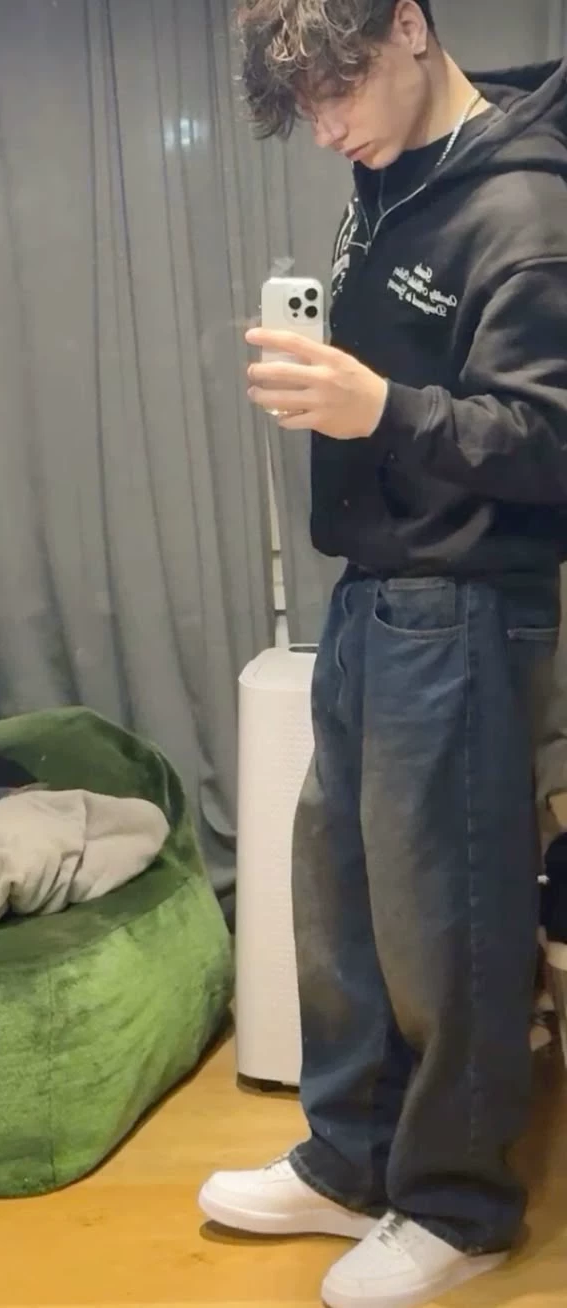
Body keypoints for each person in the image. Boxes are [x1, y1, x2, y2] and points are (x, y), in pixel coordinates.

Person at [199, 4, 567, 1306]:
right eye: (303, 104)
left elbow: (549, 441)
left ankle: (460, 1208)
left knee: (446, 921)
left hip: (464, 607)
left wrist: (381, 409)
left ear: (408, 26)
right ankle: (353, 1161)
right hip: (376, 595)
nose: (325, 126)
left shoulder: (526, 204)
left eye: (337, 88)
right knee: (344, 899)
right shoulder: (392, 173)